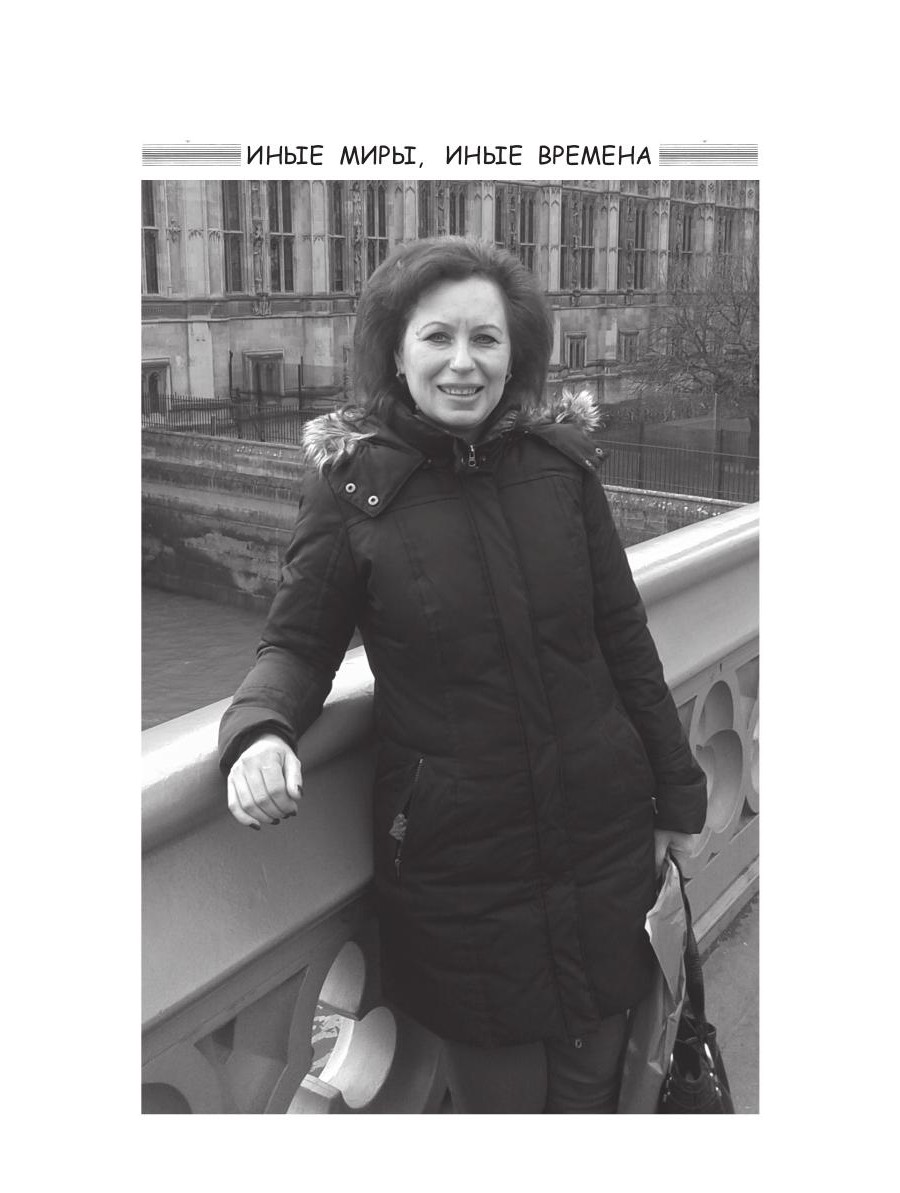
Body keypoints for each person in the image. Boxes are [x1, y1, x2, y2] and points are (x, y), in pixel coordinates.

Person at [218, 236, 707, 1114]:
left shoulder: (562, 470)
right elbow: (295, 646)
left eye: (485, 338)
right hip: (462, 863)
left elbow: (625, 644)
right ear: (396, 353)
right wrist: (258, 731)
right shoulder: (353, 490)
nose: (462, 362)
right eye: (437, 337)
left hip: (603, 835)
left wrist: (678, 794)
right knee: (501, 1102)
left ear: (514, 355)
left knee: (605, 1088)